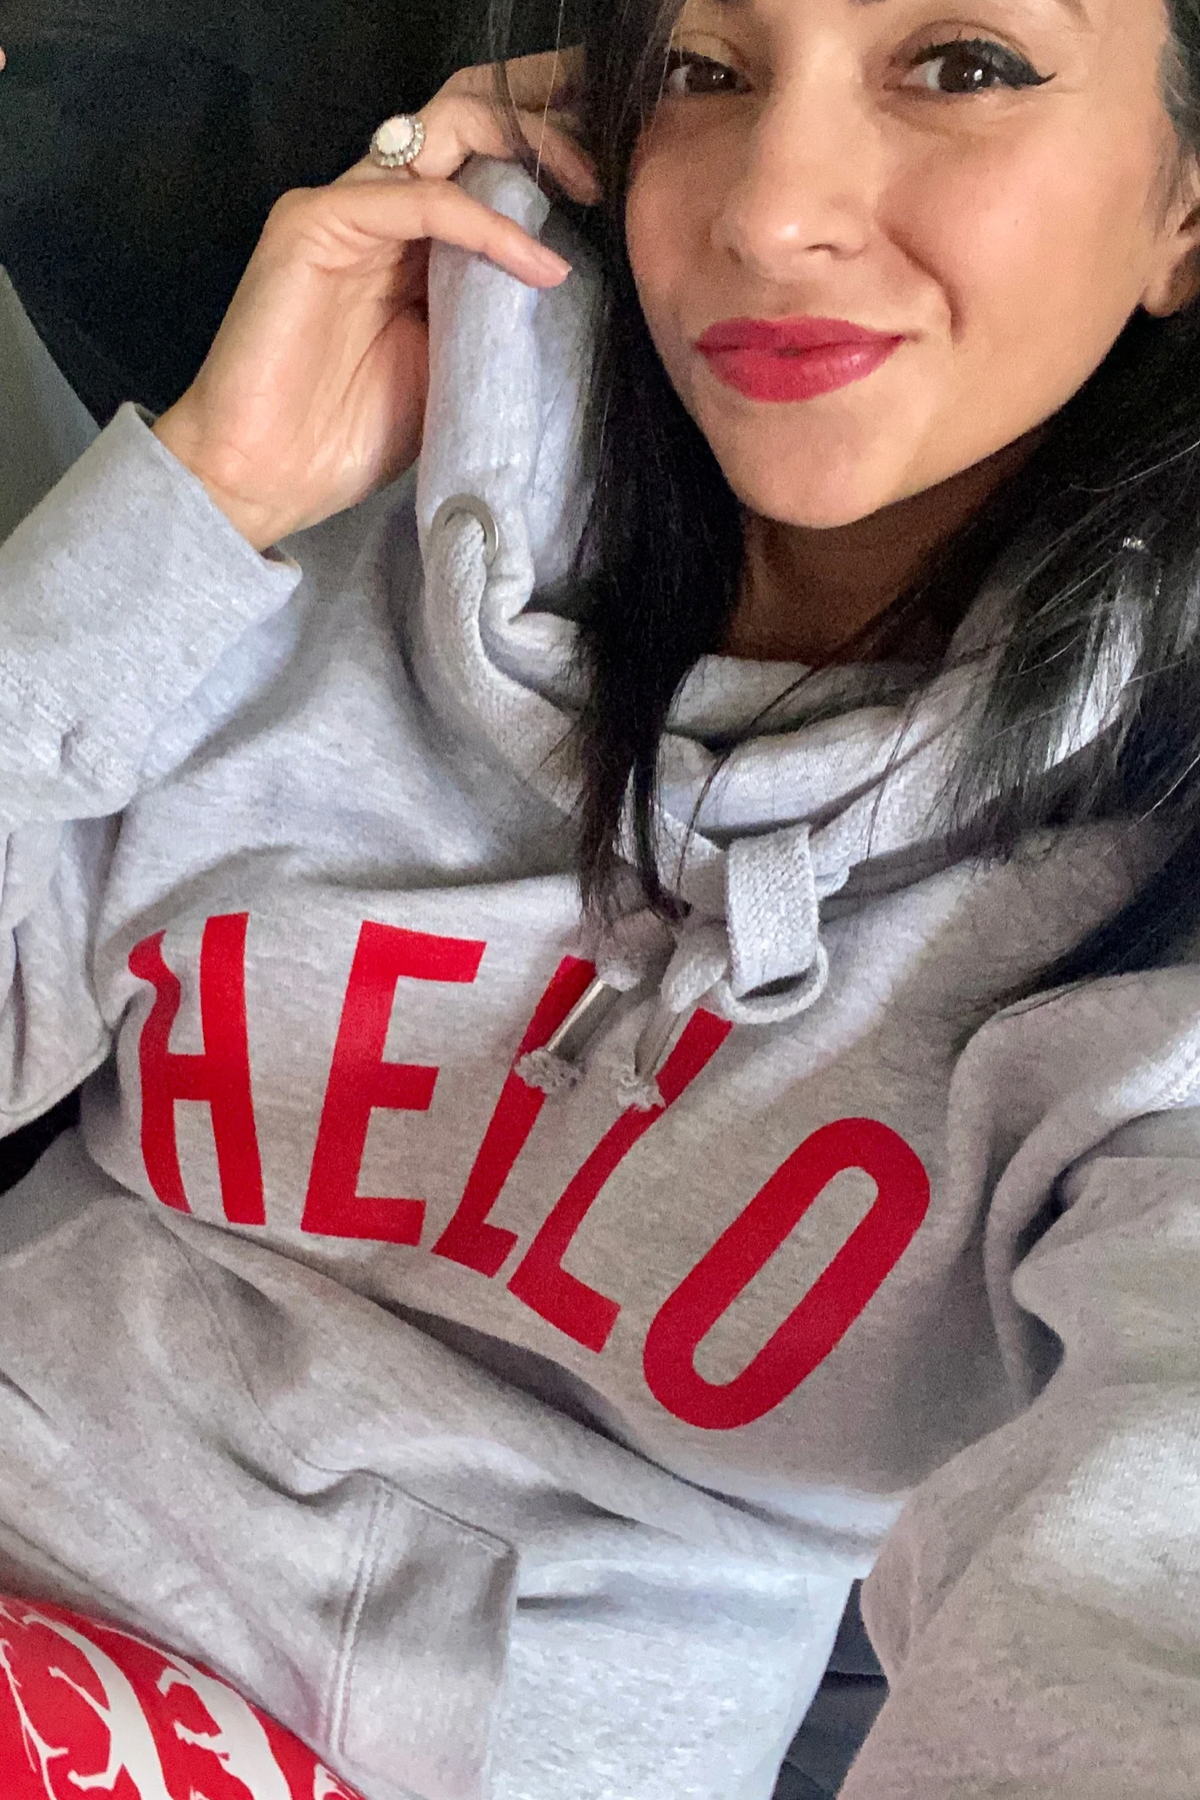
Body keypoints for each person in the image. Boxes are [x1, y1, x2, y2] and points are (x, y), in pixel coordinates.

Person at [1, 1, 1200, 1795]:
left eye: (962, 64)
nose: (770, 210)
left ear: (1184, 204)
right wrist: (202, 495)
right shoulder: (316, 530)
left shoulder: (1152, 941)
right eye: (705, 71)